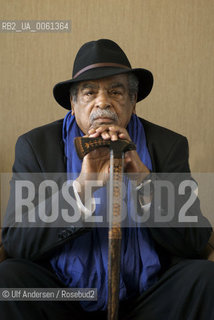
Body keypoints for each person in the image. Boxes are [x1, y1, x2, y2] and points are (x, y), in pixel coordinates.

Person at [0, 39, 214, 320]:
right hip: (63, 300)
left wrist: (144, 181)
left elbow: (195, 242)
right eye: (89, 93)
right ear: (73, 104)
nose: (103, 102)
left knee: (204, 277)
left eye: (116, 91)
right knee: (10, 278)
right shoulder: (36, 146)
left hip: (148, 300)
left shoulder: (168, 145)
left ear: (133, 101)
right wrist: (82, 187)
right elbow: (17, 242)